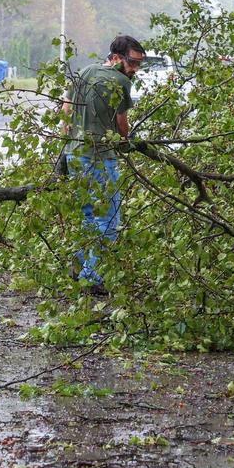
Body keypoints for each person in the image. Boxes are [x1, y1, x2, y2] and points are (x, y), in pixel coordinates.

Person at [62, 35, 146, 293]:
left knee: (87, 214)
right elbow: (122, 122)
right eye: (132, 62)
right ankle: (92, 278)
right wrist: (125, 142)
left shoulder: (86, 71)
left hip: (75, 153)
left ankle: (79, 269)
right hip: (100, 156)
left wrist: (68, 143)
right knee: (109, 219)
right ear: (116, 58)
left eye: (138, 64)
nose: (134, 69)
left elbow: (66, 109)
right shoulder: (121, 81)